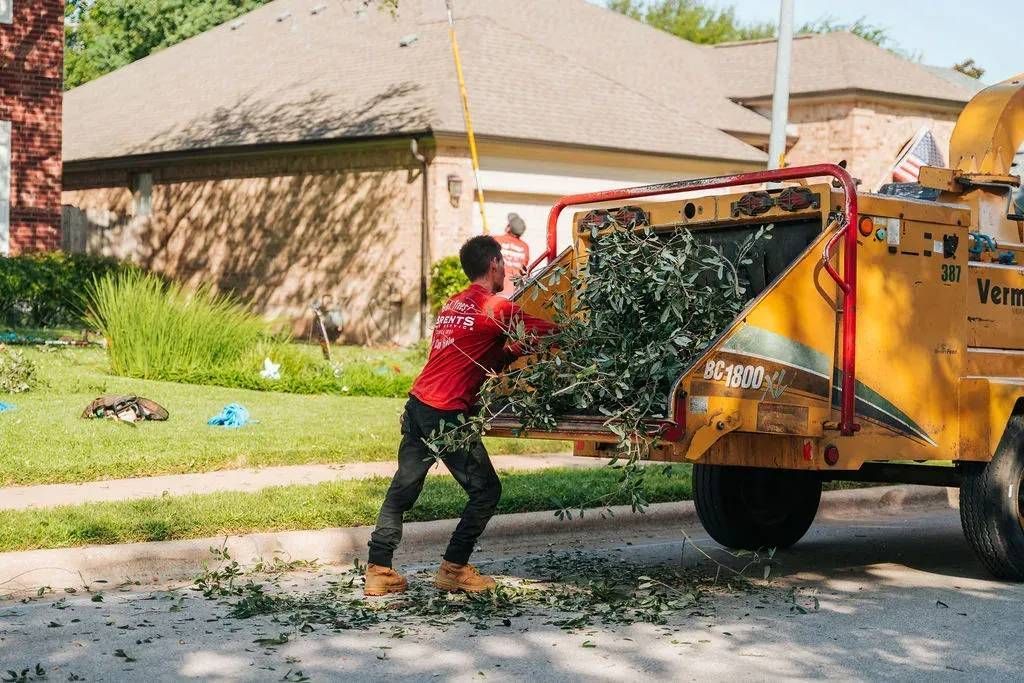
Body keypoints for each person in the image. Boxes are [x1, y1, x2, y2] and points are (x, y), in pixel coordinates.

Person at [364, 235, 558, 596]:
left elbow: (469, 353)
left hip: (419, 406)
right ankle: (454, 568)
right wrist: (583, 334)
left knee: (403, 489)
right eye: (504, 265)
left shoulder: (454, 304)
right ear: (495, 264)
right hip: (446, 414)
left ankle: (378, 570)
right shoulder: (495, 308)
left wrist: (508, 354)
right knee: (486, 490)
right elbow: (548, 332)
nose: (507, 272)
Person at [493, 213, 530, 298]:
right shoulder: (525, 247)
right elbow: (524, 266)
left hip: (496, 290)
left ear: (508, 227)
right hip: (515, 293)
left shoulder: (495, 240)